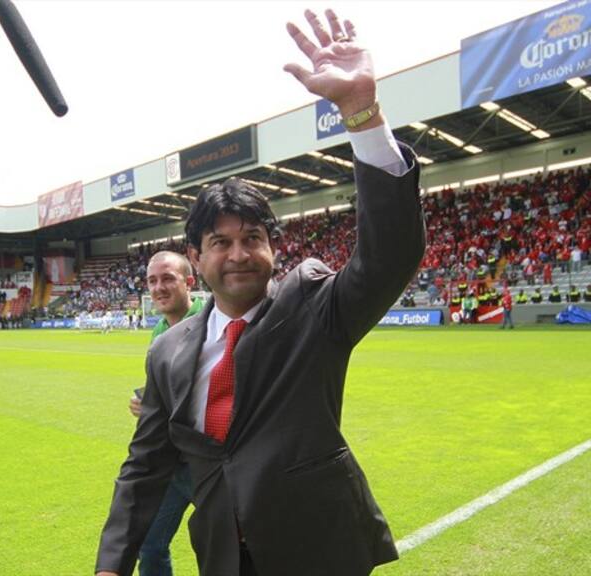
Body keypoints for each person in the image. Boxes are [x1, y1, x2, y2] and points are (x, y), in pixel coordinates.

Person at [96, 9, 425, 576]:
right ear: (196, 259)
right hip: (225, 555)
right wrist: (110, 566)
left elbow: (389, 256)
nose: (239, 253)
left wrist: (361, 114)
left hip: (321, 551)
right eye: (219, 243)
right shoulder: (167, 351)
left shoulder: (312, 305)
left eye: (252, 237)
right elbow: (145, 465)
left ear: (274, 247)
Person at [128, 251, 204, 575]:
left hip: (209, 467)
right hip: (171, 463)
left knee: (231, 547)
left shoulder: (213, 321)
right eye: (152, 280)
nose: (158, 287)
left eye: (168, 278)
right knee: (150, 542)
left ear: (189, 282)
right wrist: (146, 406)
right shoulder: (159, 331)